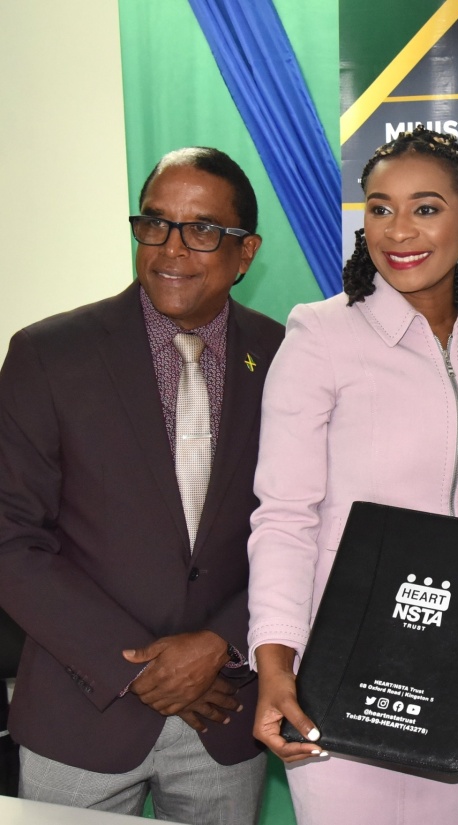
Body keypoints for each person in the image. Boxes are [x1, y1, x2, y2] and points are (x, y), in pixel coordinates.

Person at [247, 126, 458, 825]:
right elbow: (283, 516)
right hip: (339, 670)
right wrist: (276, 664)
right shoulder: (319, 336)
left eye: (425, 207)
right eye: (378, 207)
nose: (398, 230)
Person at [0, 147, 282, 823]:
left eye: (203, 229)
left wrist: (220, 643)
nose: (170, 249)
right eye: (154, 223)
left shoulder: (284, 357)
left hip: (225, 709)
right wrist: (137, 668)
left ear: (246, 253)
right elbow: (10, 536)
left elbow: (303, 525)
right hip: (81, 708)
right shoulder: (49, 354)